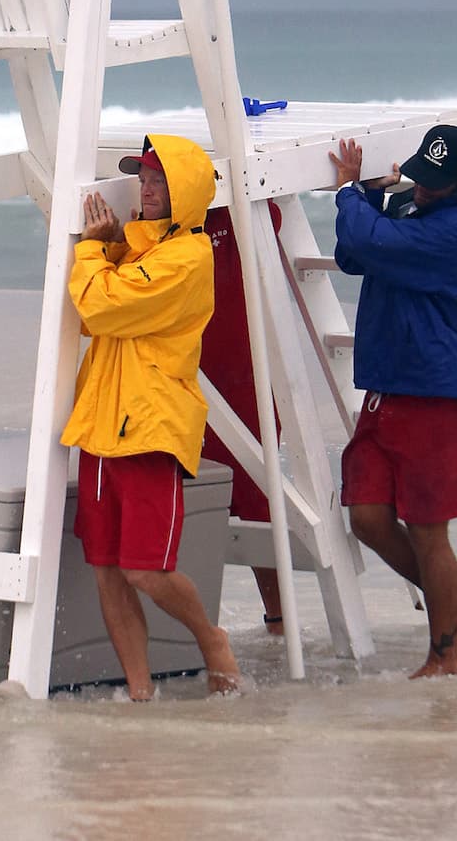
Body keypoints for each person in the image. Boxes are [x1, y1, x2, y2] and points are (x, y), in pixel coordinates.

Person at [60, 134, 241, 700]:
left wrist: (91, 250)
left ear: (186, 189)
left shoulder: (189, 256)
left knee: (146, 569)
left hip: (150, 426)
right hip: (99, 423)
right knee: (108, 570)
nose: (148, 187)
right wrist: (111, 247)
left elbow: (101, 305)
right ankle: (140, 693)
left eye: (161, 179)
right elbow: (96, 320)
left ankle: (211, 639)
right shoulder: (139, 248)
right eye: (143, 177)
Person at [329, 124, 457, 678]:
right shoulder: (416, 207)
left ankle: (444, 655)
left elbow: (367, 243)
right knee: (366, 516)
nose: (423, 188)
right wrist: (378, 195)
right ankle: (453, 606)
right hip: (389, 386)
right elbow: (351, 257)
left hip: (440, 393)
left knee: (430, 528)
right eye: (419, 176)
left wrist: (350, 193)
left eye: (436, 182)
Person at [201, 203, 284, 634]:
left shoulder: (234, 218)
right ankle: (181, 632)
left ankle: (278, 621)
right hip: (179, 387)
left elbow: (265, 207)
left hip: (243, 388)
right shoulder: (158, 225)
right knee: (182, 510)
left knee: (256, 509)